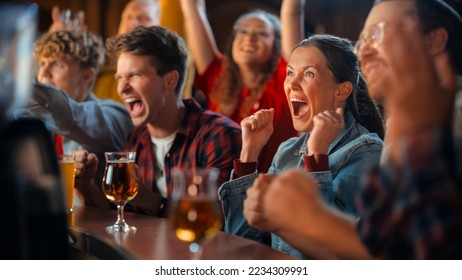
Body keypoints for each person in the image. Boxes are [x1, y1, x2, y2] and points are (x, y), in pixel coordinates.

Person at [243, 0, 462, 259]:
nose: (363, 50)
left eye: (377, 33)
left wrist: (303, 216)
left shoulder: (445, 133)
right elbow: (386, 250)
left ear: (434, 40)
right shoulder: (407, 142)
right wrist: (285, 218)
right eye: (363, 40)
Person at [220, 34, 384, 259]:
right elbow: (240, 241)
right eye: (290, 73)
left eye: (309, 74)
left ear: (342, 91)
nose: (292, 84)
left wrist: (318, 157)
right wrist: (249, 154)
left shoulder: (367, 152)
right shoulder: (287, 151)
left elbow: (329, 254)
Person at [75, 26, 242, 217]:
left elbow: (218, 219)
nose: (122, 88)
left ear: (170, 80)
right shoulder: (137, 139)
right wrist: (85, 186)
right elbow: (121, 218)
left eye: (134, 76)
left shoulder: (220, 135)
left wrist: (147, 199)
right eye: (119, 78)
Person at [180, 0, 301, 172]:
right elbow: (193, 10)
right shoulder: (218, 76)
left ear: (276, 47)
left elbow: (293, 13)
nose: (249, 38)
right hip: (222, 189)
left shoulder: (286, 79)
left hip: (270, 189)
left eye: (261, 33)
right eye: (242, 32)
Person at [18, 30, 133, 183]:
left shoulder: (114, 114)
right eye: (42, 64)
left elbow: (70, 116)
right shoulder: (38, 117)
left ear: (87, 75)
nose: (44, 74)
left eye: (57, 64)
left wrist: (17, 84)